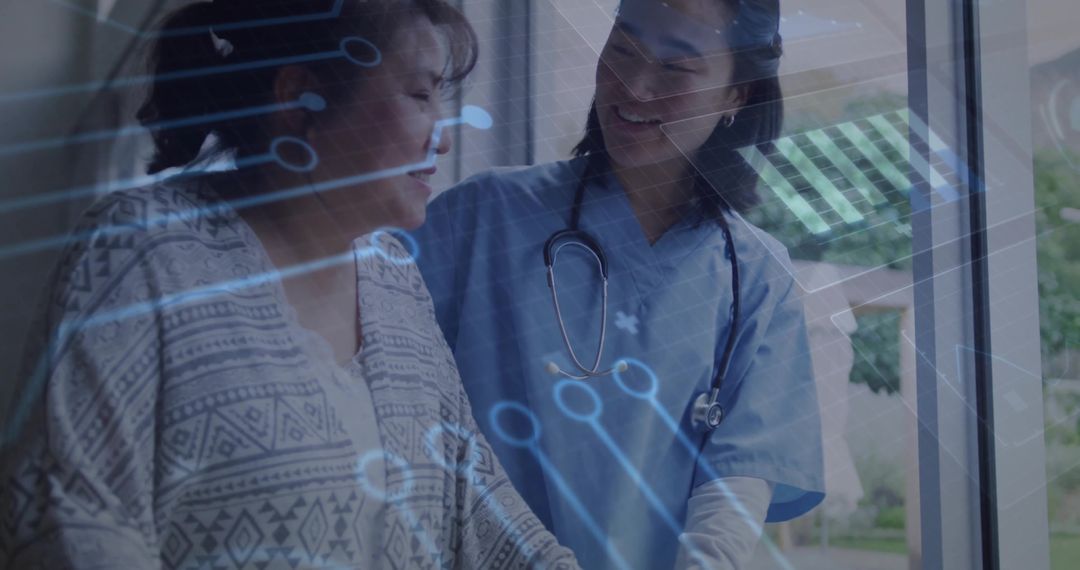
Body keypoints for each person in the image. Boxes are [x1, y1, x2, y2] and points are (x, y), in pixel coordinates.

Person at [0, 1, 580, 568]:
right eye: (420, 95)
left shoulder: (395, 281)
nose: (444, 137)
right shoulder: (141, 254)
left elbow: (477, 502)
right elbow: (67, 517)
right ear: (299, 94)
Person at [411, 0, 825, 568]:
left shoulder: (755, 277)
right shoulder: (480, 218)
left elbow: (738, 480)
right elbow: (390, 408)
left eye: (676, 68)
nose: (634, 85)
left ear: (738, 93)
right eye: (623, 49)